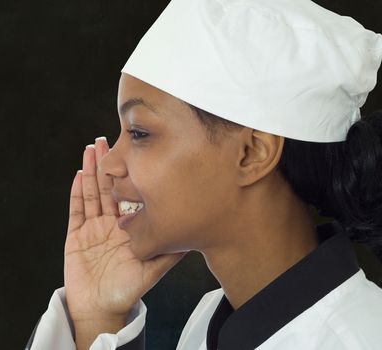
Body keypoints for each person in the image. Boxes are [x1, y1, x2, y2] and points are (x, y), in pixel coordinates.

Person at [25, 0, 382, 349]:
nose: (108, 166)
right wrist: (96, 319)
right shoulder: (209, 320)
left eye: (139, 133)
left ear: (252, 153)